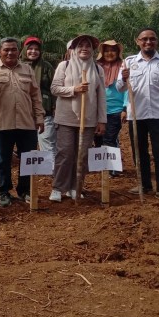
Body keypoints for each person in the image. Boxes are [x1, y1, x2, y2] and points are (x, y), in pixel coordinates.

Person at [117, 28, 159, 203]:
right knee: (139, 151)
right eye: (144, 39)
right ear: (138, 41)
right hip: (136, 115)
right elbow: (119, 88)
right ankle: (144, 184)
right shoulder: (129, 62)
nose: (148, 42)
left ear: (156, 41)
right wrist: (123, 77)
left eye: (152, 39)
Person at [0, 38, 44, 205]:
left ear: (18, 51)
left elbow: (35, 95)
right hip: (2, 123)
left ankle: (25, 191)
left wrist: (39, 117)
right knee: (2, 160)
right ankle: (3, 192)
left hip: (26, 122)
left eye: (13, 49)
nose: (10, 53)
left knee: (28, 158)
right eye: (6, 50)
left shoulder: (27, 69)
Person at [49, 35, 106, 202]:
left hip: (88, 118)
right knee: (65, 152)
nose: (84, 48)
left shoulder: (97, 69)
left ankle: (75, 187)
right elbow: (55, 88)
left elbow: (101, 96)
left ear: (92, 50)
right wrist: (74, 89)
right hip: (66, 117)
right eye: (80, 45)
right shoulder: (64, 65)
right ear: (73, 49)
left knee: (82, 154)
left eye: (88, 46)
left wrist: (102, 120)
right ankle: (58, 187)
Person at [94, 40, 127, 177]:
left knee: (110, 138)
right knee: (98, 138)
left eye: (113, 50)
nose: (109, 53)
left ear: (118, 53)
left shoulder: (123, 67)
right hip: (97, 110)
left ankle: (112, 168)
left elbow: (126, 89)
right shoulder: (96, 67)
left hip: (116, 110)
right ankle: (102, 166)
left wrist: (125, 108)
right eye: (106, 51)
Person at [22, 37, 57, 158]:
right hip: (23, 112)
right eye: (30, 48)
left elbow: (55, 88)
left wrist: (55, 106)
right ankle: (32, 172)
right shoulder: (19, 66)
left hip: (44, 110)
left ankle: (53, 170)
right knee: (27, 145)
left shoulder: (46, 66)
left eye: (36, 49)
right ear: (24, 49)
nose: (33, 51)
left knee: (46, 140)